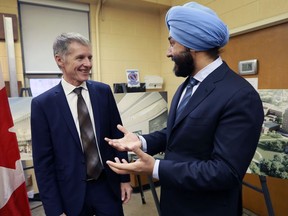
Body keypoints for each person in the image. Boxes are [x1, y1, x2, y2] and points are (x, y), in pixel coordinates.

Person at [105, 2, 264, 216]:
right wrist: (141, 142)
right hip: (174, 202)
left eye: (172, 43)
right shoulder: (185, 87)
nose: (168, 53)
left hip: (208, 209)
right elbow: (177, 134)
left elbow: (225, 172)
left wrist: (155, 168)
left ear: (193, 44)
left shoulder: (240, 95)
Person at [31, 32, 132, 216]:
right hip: (70, 194)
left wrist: (124, 178)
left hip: (106, 187)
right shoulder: (43, 105)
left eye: (90, 57)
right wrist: (54, 210)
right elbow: (43, 163)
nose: (88, 64)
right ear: (60, 60)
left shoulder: (103, 92)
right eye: (80, 58)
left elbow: (118, 139)